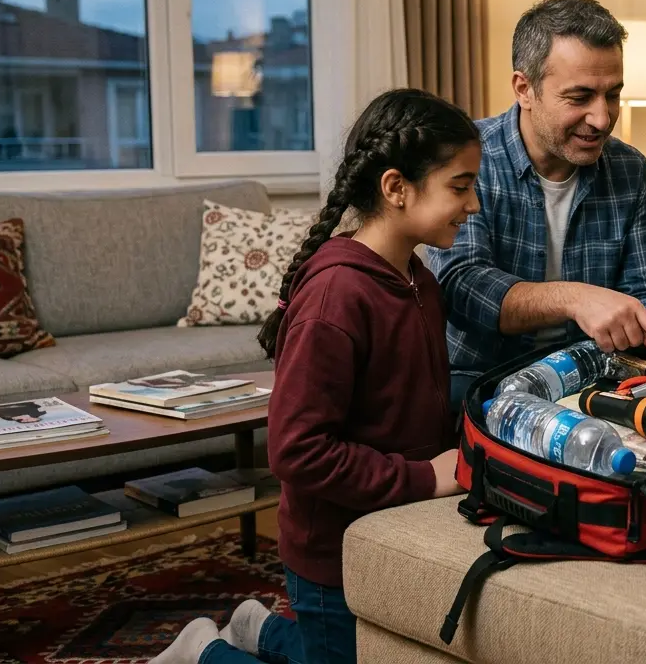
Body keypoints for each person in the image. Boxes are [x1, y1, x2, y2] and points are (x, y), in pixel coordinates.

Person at [148, 89, 480, 664]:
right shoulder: (336, 297)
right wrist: (426, 478)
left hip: (392, 532)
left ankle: (259, 627)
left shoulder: (418, 281)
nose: (473, 204)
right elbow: (296, 451)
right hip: (334, 554)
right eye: (460, 185)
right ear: (397, 188)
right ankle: (203, 650)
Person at [429, 0, 646, 411]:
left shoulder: (630, 170)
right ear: (524, 88)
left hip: (593, 380)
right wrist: (576, 299)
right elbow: (462, 285)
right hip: (480, 379)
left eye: (612, 95)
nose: (601, 118)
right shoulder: (469, 157)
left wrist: (638, 329)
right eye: (579, 98)